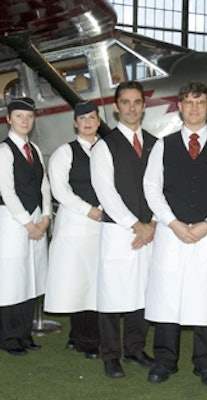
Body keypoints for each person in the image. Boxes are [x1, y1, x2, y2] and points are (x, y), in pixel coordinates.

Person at [143, 81, 207, 387]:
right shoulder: (163, 144)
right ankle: (164, 360)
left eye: (200, 102)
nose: (195, 108)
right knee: (167, 297)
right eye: (189, 102)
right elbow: (151, 187)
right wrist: (172, 222)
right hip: (171, 233)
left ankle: (205, 362)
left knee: (205, 297)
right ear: (180, 106)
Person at [90, 81, 157, 378]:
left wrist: (152, 223)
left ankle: (135, 349)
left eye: (137, 102)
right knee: (112, 294)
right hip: (120, 232)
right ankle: (111, 355)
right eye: (125, 102)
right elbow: (106, 193)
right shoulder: (104, 146)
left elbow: (162, 189)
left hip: (151, 232)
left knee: (143, 292)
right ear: (116, 107)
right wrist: (136, 225)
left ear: (144, 106)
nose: (131, 107)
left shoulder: (157, 144)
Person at [45, 101, 102, 360]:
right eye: (83, 119)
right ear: (75, 123)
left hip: (102, 226)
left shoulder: (107, 150)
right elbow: (59, 190)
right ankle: (87, 341)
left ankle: (76, 336)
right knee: (80, 283)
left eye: (92, 118)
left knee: (95, 282)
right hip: (76, 226)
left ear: (98, 121)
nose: (88, 122)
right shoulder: (64, 153)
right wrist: (89, 209)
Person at [0, 98, 51, 355]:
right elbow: (6, 191)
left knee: (32, 276)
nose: (25, 121)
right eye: (19, 116)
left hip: (36, 218)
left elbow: (44, 186)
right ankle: (8, 338)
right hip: (12, 221)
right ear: (9, 119)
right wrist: (28, 223)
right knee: (12, 280)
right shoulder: (4, 150)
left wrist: (46, 217)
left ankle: (24, 333)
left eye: (29, 117)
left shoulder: (36, 150)